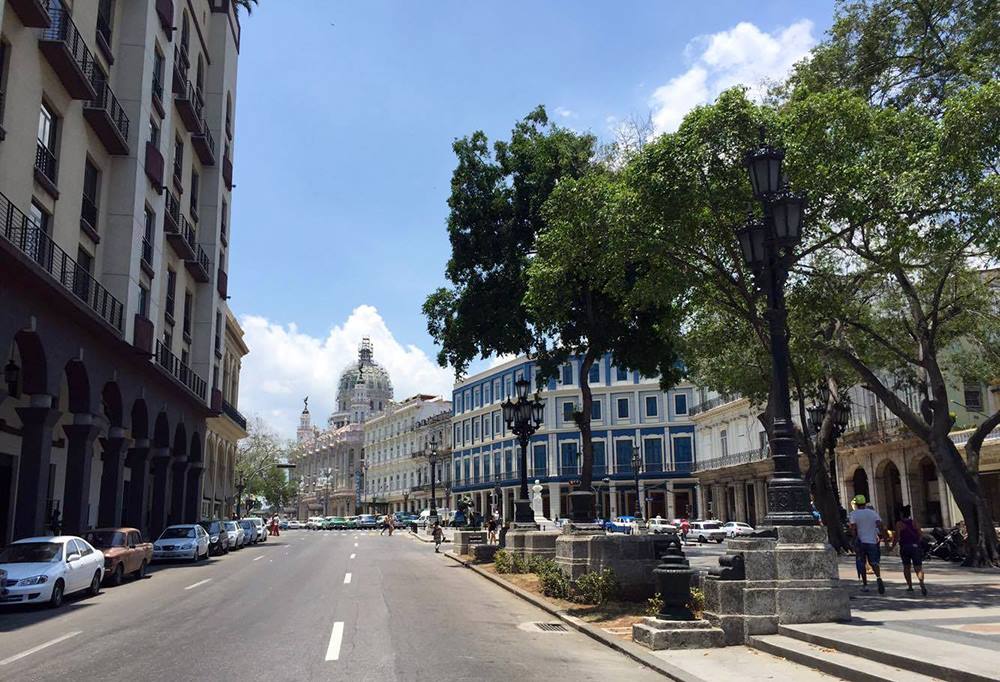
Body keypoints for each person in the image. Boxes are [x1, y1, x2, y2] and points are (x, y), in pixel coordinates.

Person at [849, 494, 885, 594]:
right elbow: (880, 525)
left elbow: (853, 528)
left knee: (862, 563)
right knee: (874, 562)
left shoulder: (854, 514)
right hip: (872, 541)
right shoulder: (873, 513)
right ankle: (878, 578)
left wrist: (853, 539)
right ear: (865, 503)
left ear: (856, 504)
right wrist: (885, 539)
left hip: (860, 542)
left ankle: (865, 584)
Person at [892, 505, 927, 596]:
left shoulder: (899, 524)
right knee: (918, 567)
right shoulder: (914, 522)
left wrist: (892, 547)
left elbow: (897, 537)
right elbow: (920, 534)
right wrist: (917, 543)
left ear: (901, 514)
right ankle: (921, 583)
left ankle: (910, 586)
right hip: (915, 547)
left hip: (905, 547)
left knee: (907, 566)